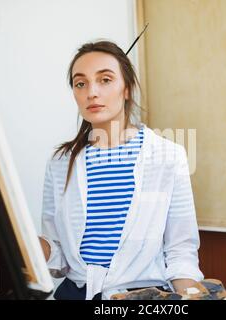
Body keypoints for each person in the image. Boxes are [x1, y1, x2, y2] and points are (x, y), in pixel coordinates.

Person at [39, 40, 203, 300]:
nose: (92, 92)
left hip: (143, 297)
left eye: (105, 80)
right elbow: (57, 254)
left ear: (126, 89)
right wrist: (25, 245)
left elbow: (180, 252)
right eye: (80, 83)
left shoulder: (168, 157)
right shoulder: (60, 162)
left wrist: (194, 296)